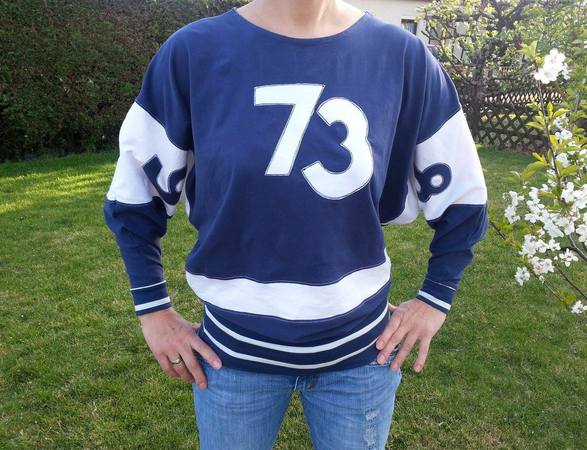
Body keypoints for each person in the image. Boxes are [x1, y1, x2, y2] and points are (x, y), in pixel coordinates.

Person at [103, 0, 489, 448]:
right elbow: (135, 197)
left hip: (361, 357)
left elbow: (464, 197)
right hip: (231, 359)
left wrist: (434, 300)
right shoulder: (193, 53)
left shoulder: (402, 57)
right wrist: (153, 311)